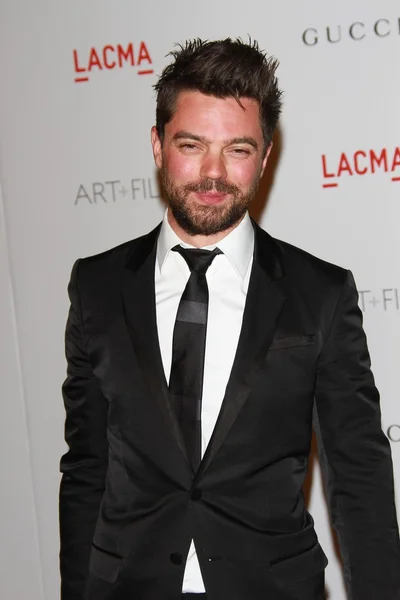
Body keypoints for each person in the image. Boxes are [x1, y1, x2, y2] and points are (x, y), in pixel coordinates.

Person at [59, 38, 400, 600]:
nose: (213, 173)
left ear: (265, 157)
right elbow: (87, 466)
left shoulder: (320, 293)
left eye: (237, 149)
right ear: (158, 144)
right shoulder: (97, 286)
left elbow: (358, 472)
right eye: (191, 144)